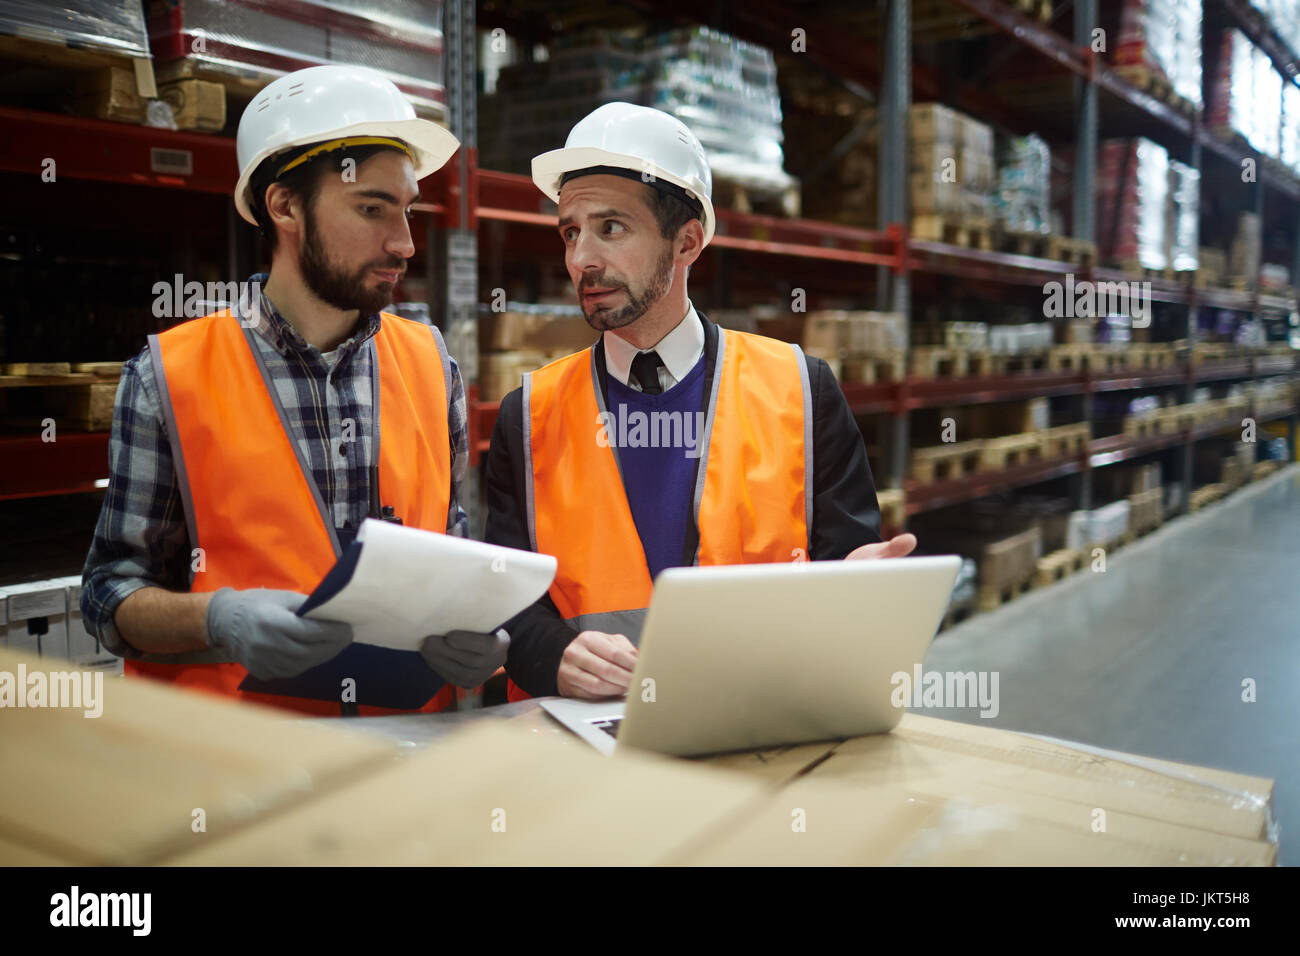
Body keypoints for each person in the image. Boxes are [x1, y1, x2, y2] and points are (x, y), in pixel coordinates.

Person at [81, 65, 508, 715]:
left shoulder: (431, 366)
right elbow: (110, 595)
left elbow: (448, 553)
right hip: (242, 766)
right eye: (371, 208)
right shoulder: (167, 377)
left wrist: (479, 635)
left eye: (406, 210)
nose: (404, 242)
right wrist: (218, 621)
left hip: (409, 762)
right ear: (284, 206)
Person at [483, 102, 916, 702]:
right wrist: (550, 653)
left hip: (754, 734)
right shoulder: (528, 415)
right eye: (570, 231)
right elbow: (507, 599)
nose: (581, 258)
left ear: (686, 242)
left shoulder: (801, 390)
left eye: (611, 228)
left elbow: (843, 568)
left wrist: (861, 590)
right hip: (578, 758)